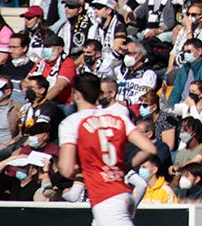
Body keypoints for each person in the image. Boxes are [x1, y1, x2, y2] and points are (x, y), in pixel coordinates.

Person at [59, 73, 157, 226]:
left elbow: (66, 170)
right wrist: (126, 167)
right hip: (123, 192)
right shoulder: (119, 118)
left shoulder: (71, 123)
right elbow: (150, 149)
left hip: (105, 197)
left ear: (76, 94)